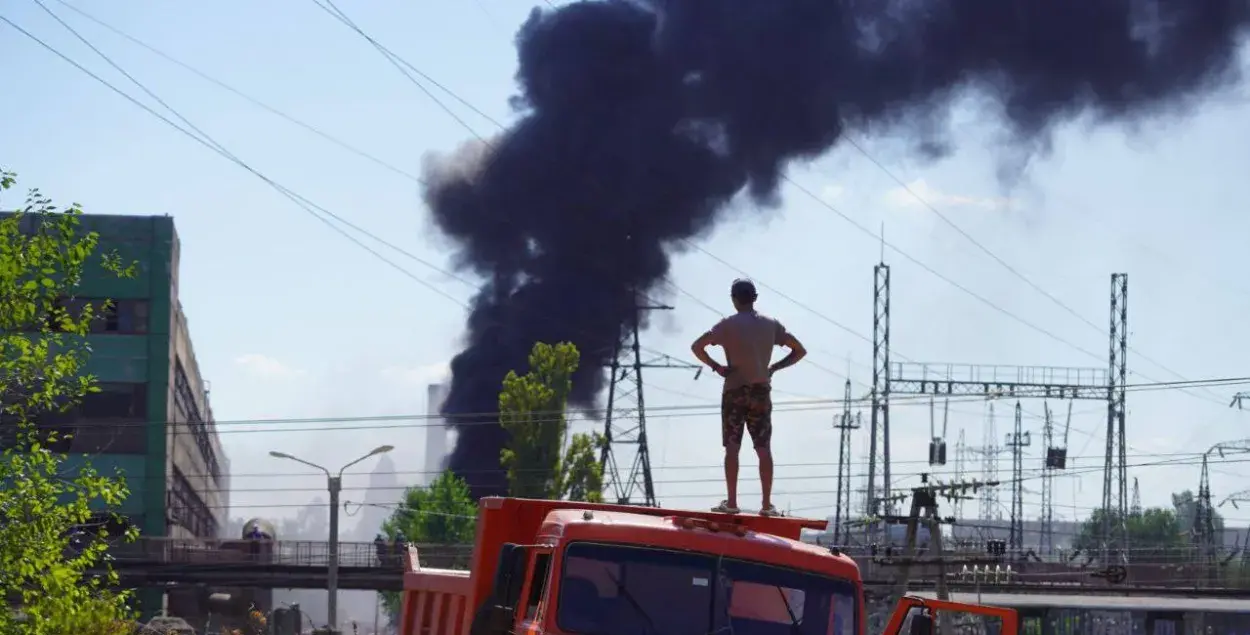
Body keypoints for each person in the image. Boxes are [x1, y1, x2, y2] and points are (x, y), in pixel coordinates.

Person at [691, 278, 807, 516]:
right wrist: (773, 367)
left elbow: (697, 346)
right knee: (763, 448)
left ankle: (732, 503)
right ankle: (766, 505)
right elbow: (799, 351)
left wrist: (718, 367)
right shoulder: (771, 324)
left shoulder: (726, 325)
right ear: (755, 298)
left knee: (732, 447)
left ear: (734, 299)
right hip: (760, 390)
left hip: (734, 389)